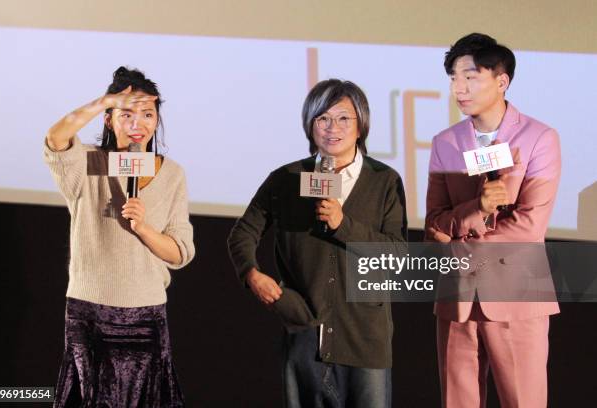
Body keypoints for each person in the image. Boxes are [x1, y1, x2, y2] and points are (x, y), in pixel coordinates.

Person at [228, 79, 407, 407]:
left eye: (343, 118)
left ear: (361, 125)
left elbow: (396, 255)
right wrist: (251, 274)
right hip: (304, 331)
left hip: (364, 338)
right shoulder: (286, 179)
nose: (332, 128)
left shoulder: (384, 180)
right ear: (309, 125)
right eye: (322, 118)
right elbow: (243, 233)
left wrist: (343, 224)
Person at [44, 66, 195, 407]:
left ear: (156, 121)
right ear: (109, 120)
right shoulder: (89, 164)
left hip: (145, 314)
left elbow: (180, 252)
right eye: (126, 114)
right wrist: (104, 101)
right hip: (89, 312)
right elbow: (56, 140)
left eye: (146, 114)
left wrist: (143, 228)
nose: (137, 123)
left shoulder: (172, 174)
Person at [425, 33, 561, 408]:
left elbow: (531, 226)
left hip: (517, 295)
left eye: (469, 77)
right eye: (453, 78)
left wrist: (461, 237)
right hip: (457, 299)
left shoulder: (538, 138)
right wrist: (479, 210)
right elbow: (434, 223)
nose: (458, 88)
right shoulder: (446, 142)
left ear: (502, 81)